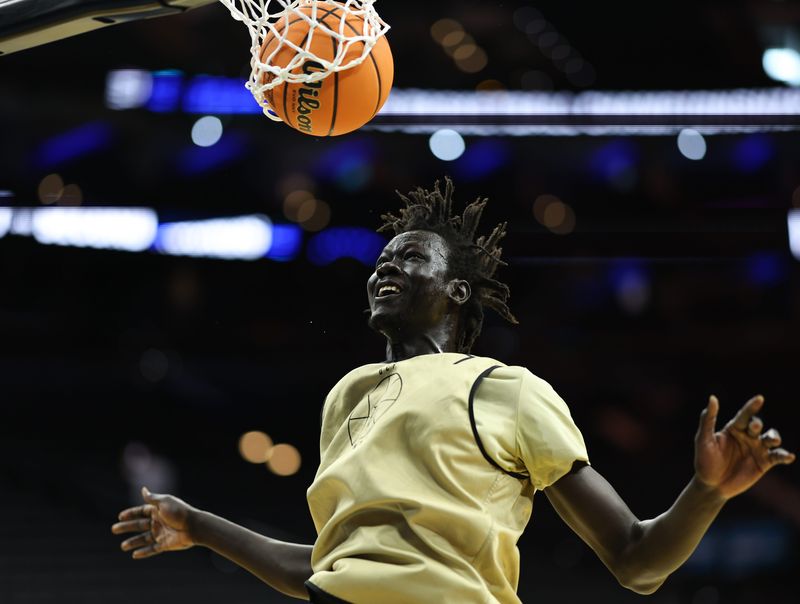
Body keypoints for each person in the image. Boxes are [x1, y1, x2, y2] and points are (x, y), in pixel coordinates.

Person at [112, 179, 795, 603]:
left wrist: (706, 493)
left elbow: (636, 562)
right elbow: (325, 570)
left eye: (411, 256)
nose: (387, 263)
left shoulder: (508, 391)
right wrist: (197, 525)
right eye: (382, 257)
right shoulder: (347, 396)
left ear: (457, 291)